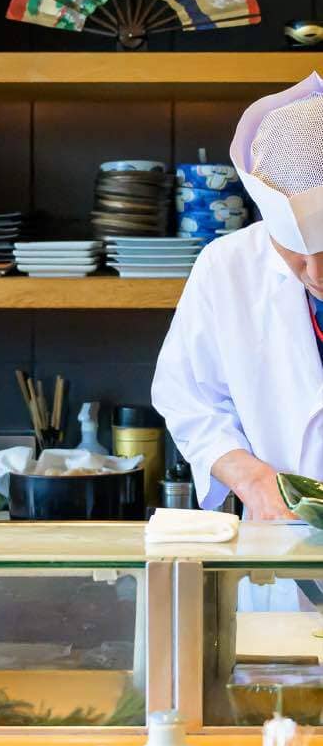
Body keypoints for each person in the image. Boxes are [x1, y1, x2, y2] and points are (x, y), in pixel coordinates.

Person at [152, 72, 322, 609]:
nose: (316, 270)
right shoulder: (227, 266)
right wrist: (250, 479)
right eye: (295, 252)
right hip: (279, 548)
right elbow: (188, 397)